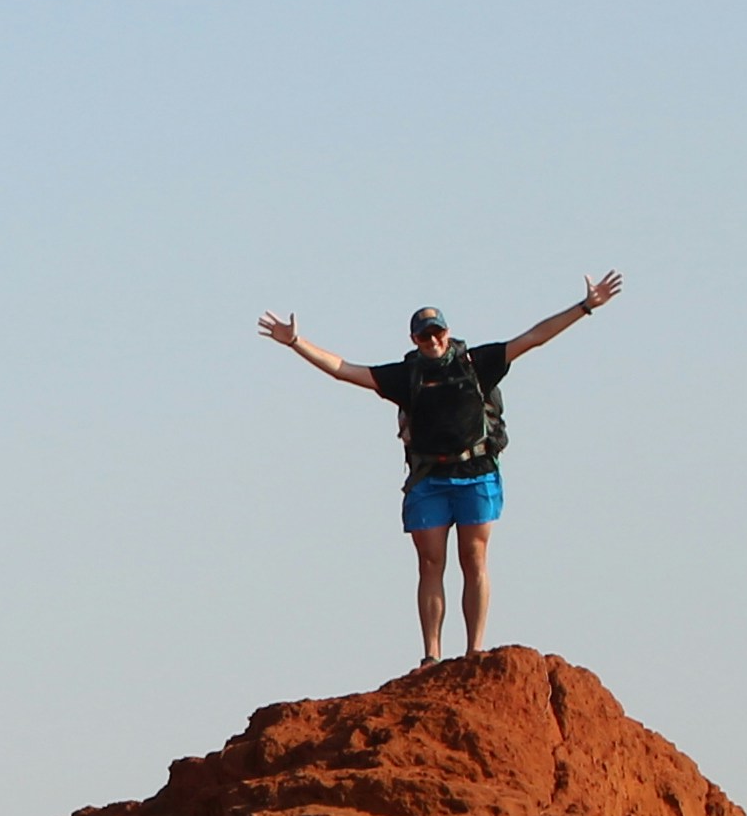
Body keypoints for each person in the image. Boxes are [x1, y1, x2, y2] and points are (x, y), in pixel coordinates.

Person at [259, 276, 625, 664]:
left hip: (477, 472)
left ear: (448, 333)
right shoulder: (406, 376)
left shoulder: (476, 363)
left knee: (474, 557)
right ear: (414, 339)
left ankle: (474, 650)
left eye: (437, 333)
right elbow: (344, 370)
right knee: (430, 563)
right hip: (429, 479)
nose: (432, 341)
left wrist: (584, 307)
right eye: (424, 336)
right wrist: (296, 342)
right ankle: (431, 655)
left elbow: (533, 337)